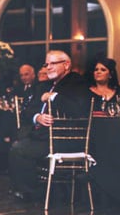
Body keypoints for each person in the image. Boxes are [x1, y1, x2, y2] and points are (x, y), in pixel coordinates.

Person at [8, 50, 89, 200]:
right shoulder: (44, 86)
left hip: (65, 139)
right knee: (17, 142)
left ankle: (30, 192)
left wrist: (54, 97)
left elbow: (78, 109)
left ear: (66, 65)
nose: (48, 68)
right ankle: (25, 188)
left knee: (19, 149)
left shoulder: (77, 82)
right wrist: (37, 117)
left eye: (53, 63)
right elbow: (26, 111)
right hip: (43, 136)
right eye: (47, 64)